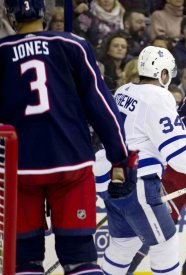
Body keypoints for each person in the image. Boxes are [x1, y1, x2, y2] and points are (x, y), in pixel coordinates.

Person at [0, 0, 133, 273]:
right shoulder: (72, 44)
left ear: (10, 15)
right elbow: (101, 106)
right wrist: (120, 159)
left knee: (24, 259)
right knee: (80, 257)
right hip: (71, 163)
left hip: (18, 169)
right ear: (44, 13)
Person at [99, 45, 186, 275]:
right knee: (166, 244)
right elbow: (177, 153)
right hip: (137, 182)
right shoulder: (159, 97)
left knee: (125, 245)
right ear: (163, 74)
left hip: (110, 181)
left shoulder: (124, 90)